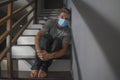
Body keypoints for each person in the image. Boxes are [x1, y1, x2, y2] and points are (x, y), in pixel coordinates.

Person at [30, 8, 71, 78]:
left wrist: (49, 56)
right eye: (62, 17)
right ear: (58, 17)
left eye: (66, 19)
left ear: (69, 21)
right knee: (45, 37)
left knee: (58, 41)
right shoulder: (51, 22)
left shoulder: (67, 31)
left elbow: (64, 50)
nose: (64, 20)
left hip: (55, 47)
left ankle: (44, 67)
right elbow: (38, 36)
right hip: (46, 45)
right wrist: (38, 51)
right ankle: (37, 65)